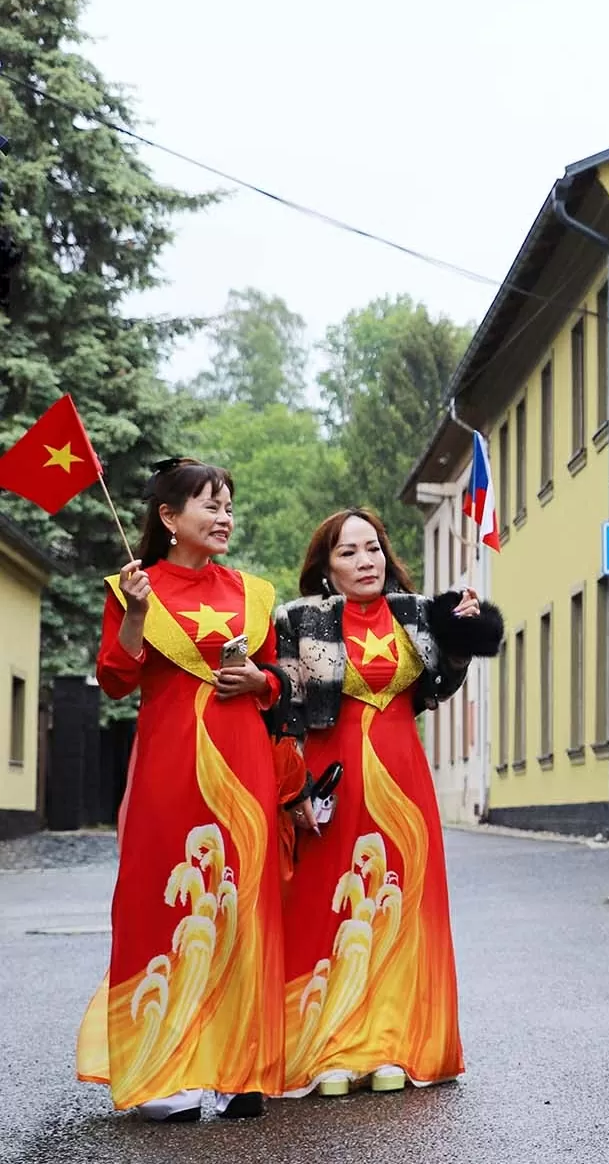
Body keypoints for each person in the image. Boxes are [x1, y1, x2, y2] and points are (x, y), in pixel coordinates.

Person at [77, 459, 291, 1121]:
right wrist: (138, 613)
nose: (224, 517)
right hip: (170, 765)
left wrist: (260, 683)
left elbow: (276, 678)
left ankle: (239, 1065)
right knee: (166, 896)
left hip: (244, 763)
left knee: (243, 898)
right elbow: (115, 679)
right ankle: (160, 1068)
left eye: (228, 505)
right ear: (169, 518)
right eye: (209, 505)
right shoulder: (133, 588)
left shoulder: (253, 593)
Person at [273, 508, 502, 1099]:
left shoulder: (419, 612)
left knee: (403, 901)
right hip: (332, 775)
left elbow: (441, 685)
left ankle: (394, 1043)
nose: (364, 561)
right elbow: (285, 711)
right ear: (326, 567)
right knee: (330, 902)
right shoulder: (296, 620)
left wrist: (461, 636)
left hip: (404, 774)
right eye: (348, 552)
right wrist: (292, 789)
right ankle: (327, 1047)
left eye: (372, 548)